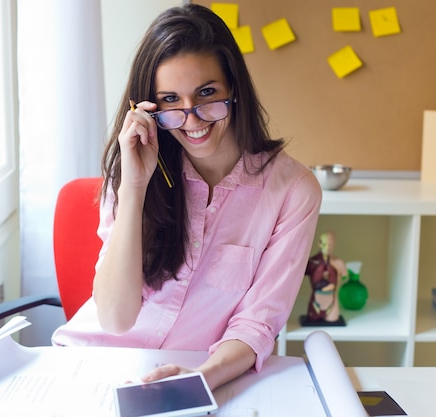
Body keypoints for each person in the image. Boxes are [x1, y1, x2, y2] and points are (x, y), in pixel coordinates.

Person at [52, 4, 322, 390]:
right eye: (170, 101)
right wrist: (133, 187)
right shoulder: (134, 169)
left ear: (235, 89)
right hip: (92, 365)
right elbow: (114, 318)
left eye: (207, 93)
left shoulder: (292, 191)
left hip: (199, 375)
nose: (192, 120)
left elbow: (256, 325)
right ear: (147, 107)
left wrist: (200, 379)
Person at [301, 232, 348, 325]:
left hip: (332, 302)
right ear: (319, 243)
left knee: (333, 319)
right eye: (324, 244)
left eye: (330, 244)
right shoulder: (312, 262)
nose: (327, 247)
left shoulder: (338, 263)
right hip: (316, 302)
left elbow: (344, 275)